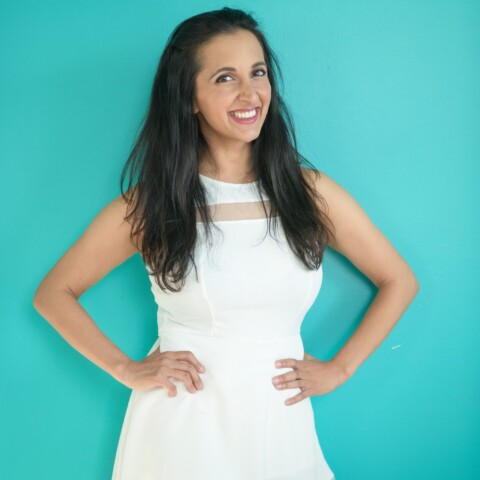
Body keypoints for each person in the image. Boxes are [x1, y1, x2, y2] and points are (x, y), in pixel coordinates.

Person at [33, 7, 419, 480]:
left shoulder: (309, 193)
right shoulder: (153, 204)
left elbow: (399, 279)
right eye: (224, 78)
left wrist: (340, 368)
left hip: (279, 425)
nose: (249, 93)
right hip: (181, 428)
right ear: (189, 97)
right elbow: (54, 293)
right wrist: (125, 369)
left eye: (258, 72)